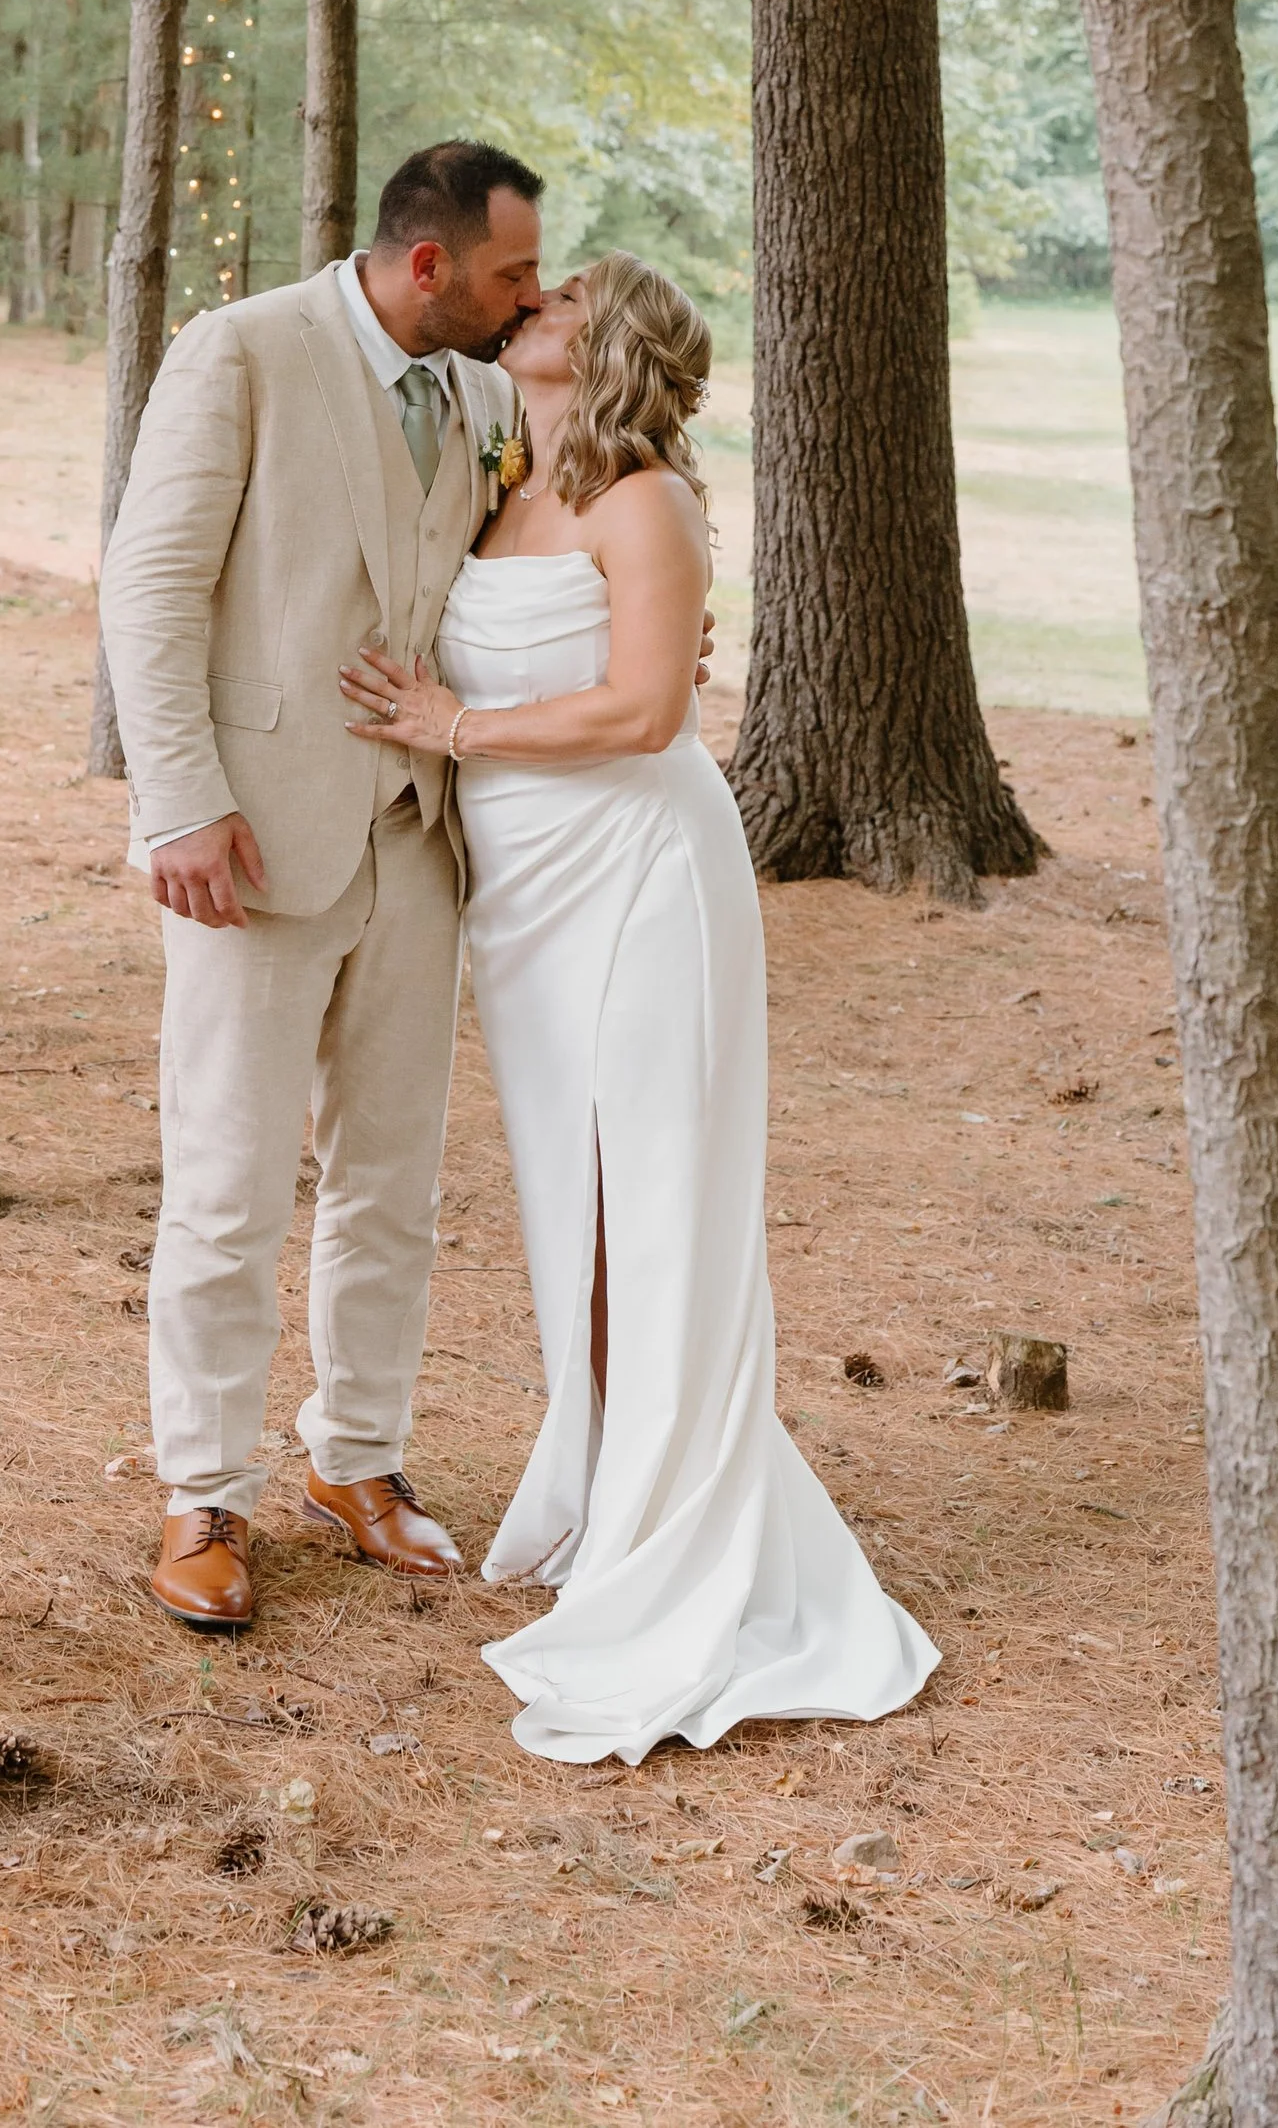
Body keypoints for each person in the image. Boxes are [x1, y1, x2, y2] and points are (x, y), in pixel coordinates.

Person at [339, 253, 938, 1765]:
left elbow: (650, 708)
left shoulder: (645, 497)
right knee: (570, 1205)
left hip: (642, 873)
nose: (531, 300)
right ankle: (609, 1472)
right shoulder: (495, 476)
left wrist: (454, 723)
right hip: (525, 898)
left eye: (565, 294)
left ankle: (673, 1527)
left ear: (610, 346)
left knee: (650, 1200)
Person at [100, 139, 543, 1632]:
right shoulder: (241, 350)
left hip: (420, 844)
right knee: (226, 1181)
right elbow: (149, 583)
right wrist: (182, 803)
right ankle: (202, 1490)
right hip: (252, 840)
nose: (526, 297)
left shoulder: (489, 400)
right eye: (509, 274)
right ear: (431, 265)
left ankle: (356, 1459)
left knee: (394, 1182)